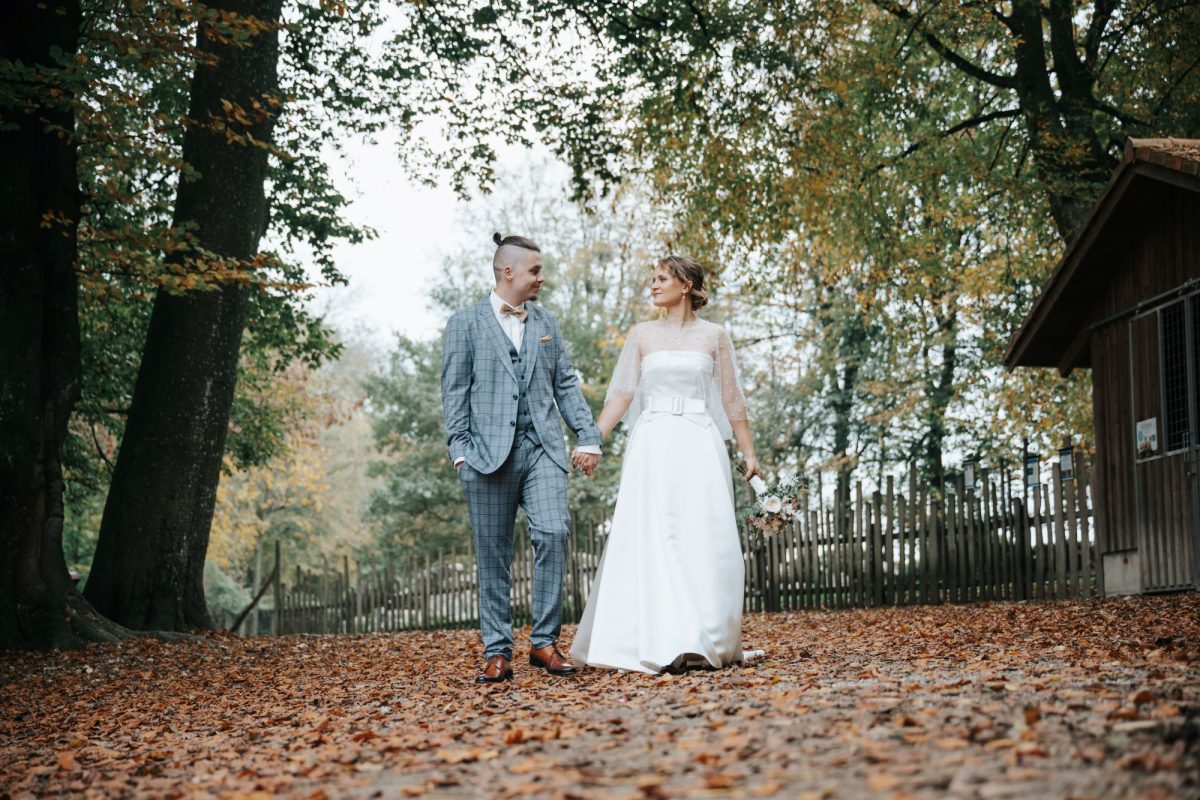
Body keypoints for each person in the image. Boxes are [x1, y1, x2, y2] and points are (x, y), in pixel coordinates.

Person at [569, 255, 762, 674]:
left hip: (698, 441)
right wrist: (592, 440)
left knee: (700, 534)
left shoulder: (715, 337)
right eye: (652, 279)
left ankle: (703, 636)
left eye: (662, 279)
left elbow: (732, 400)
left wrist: (749, 453)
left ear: (687, 285)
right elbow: (620, 397)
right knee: (655, 535)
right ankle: (655, 637)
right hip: (653, 443)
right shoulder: (641, 335)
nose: (653, 286)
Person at [440, 233, 602, 683]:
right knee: (492, 555)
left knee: (553, 532)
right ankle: (497, 651)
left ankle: (544, 643)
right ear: (507, 271)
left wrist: (587, 434)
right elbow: (453, 392)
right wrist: (460, 452)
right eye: (535, 270)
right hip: (485, 458)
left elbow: (566, 384)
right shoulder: (464, 324)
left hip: (543, 451)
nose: (541, 278)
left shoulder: (546, 321)